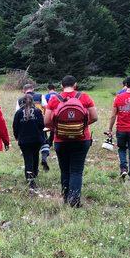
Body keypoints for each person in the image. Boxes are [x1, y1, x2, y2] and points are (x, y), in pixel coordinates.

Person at [44, 75, 98, 207]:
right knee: (76, 171)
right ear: (75, 85)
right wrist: (82, 126)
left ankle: (65, 197)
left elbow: (46, 121)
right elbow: (94, 117)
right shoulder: (84, 97)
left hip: (60, 140)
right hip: (81, 138)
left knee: (65, 170)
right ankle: (74, 202)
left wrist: (57, 129)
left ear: (61, 86)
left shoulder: (54, 99)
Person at [13, 94, 48, 190]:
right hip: (36, 139)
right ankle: (35, 174)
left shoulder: (19, 112)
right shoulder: (37, 111)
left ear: (22, 102)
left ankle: (30, 180)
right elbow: (42, 125)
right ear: (33, 101)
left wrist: (17, 137)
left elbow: (15, 127)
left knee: (27, 159)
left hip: (24, 140)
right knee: (35, 156)